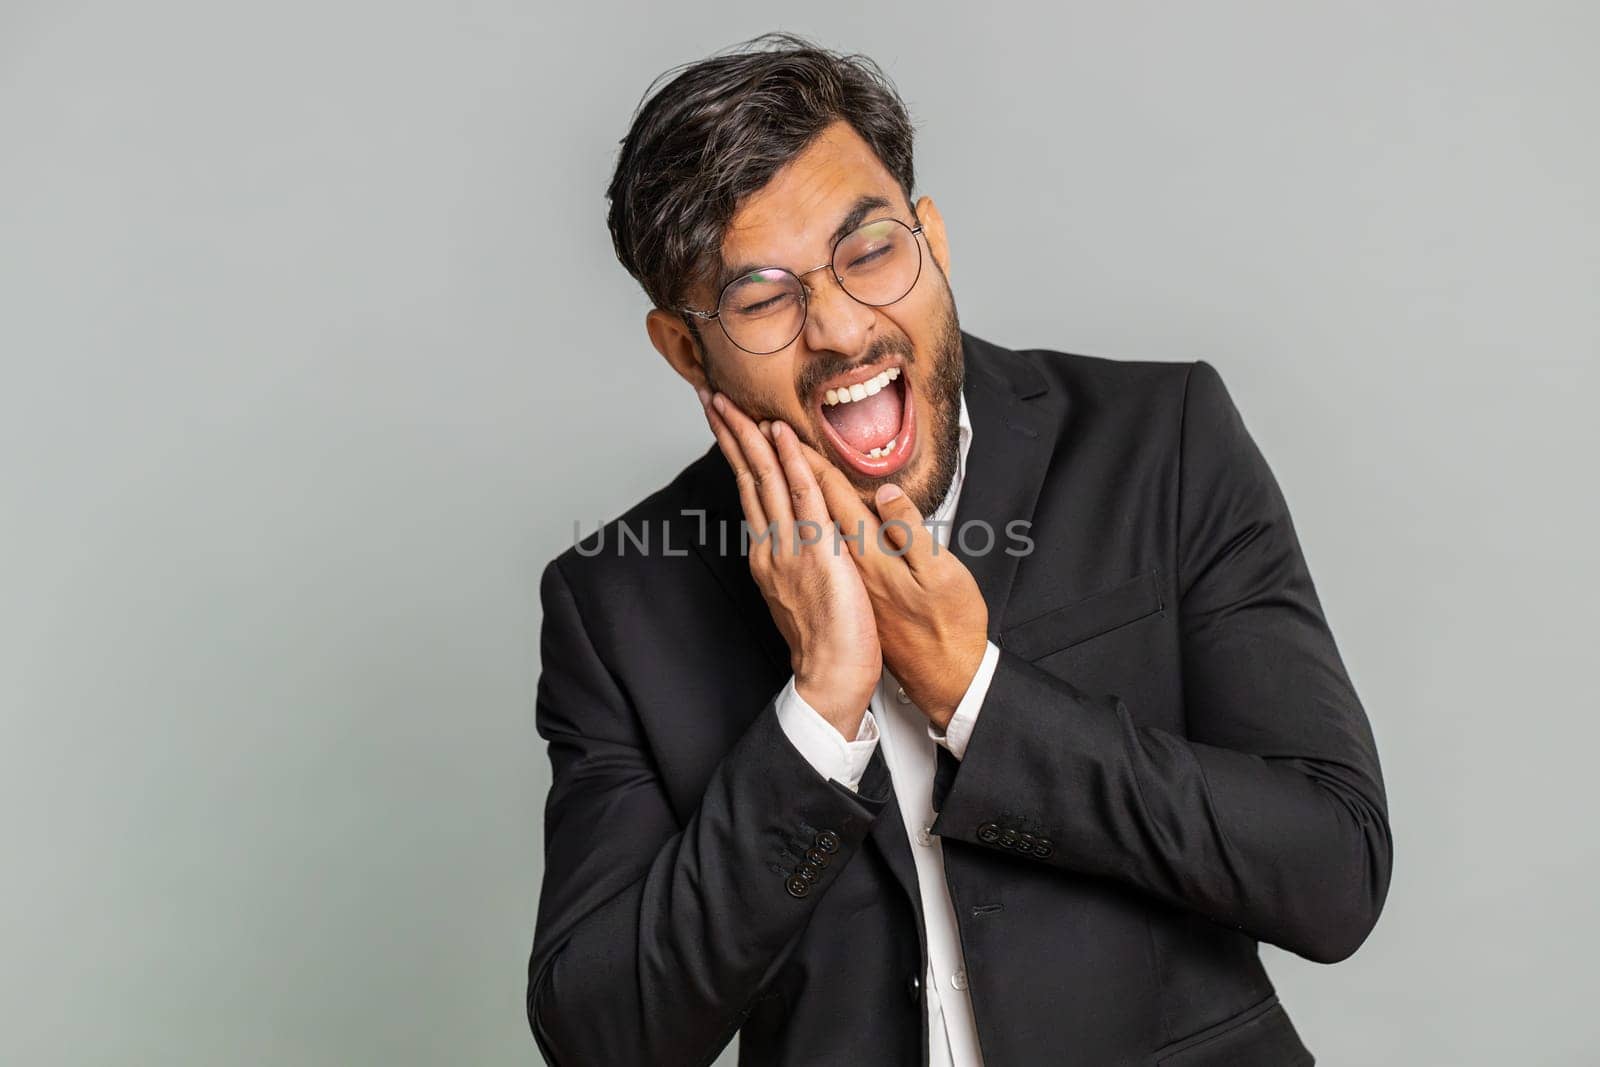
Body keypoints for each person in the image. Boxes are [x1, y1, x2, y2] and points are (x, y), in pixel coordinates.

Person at [526, 33, 1390, 1067]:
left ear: (929, 238)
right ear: (685, 348)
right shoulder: (620, 598)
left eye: (871, 251)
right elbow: (603, 1036)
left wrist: (974, 693)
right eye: (763, 299)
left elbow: (1333, 871)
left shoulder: (1161, 442)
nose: (842, 328)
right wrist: (818, 711)